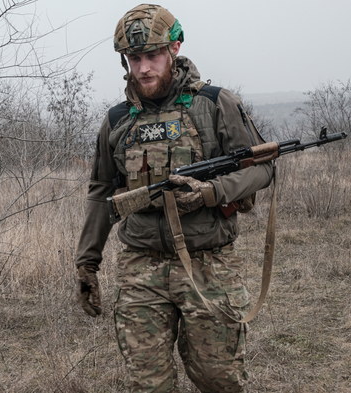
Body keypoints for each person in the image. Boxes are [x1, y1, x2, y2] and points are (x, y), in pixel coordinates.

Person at [74, 4, 274, 392]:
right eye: (134, 59)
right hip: (140, 268)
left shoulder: (214, 104)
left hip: (207, 264)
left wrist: (213, 191)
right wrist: (87, 263)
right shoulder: (118, 121)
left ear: (175, 48)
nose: (144, 68)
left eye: (153, 56)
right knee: (148, 384)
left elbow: (263, 167)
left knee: (219, 379)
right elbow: (100, 192)